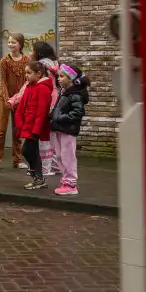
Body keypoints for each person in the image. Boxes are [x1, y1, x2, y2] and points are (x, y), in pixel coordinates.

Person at [0, 33, 28, 170]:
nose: (10, 45)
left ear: (20, 44)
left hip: (20, 99)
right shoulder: (4, 60)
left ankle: (17, 159)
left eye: (14, 42)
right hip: (5, 98)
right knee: (1, 129)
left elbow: (27, 81)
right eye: (9, 42)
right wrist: (7, 99)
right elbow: (3, 81)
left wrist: (20, 98)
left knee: (17, 129)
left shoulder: (26, 61)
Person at [49, 64, 88, 196]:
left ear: (70, 78)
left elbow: (77, 113)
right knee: (60, 156)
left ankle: (71, 183)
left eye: (61, 76)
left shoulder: (75, 94)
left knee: (68, 156)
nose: (58, 79)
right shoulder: (64, 92)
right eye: (58, 76)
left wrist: (59, 118)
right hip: (59, 128)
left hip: (68, 129)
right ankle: (66, 180)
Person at [15, 60, 53, 191]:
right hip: (27, 125)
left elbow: (41, 112)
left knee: (28, 150)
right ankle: (38, 177)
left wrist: (36, 130)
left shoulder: (43, 89)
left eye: (29, 73)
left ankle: (38, 177)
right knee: (31, 151)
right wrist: (19, 123)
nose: (26, 75)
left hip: (35, 128)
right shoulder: (29, 86)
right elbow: (21, 106)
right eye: (25, 73)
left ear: (39, 74)